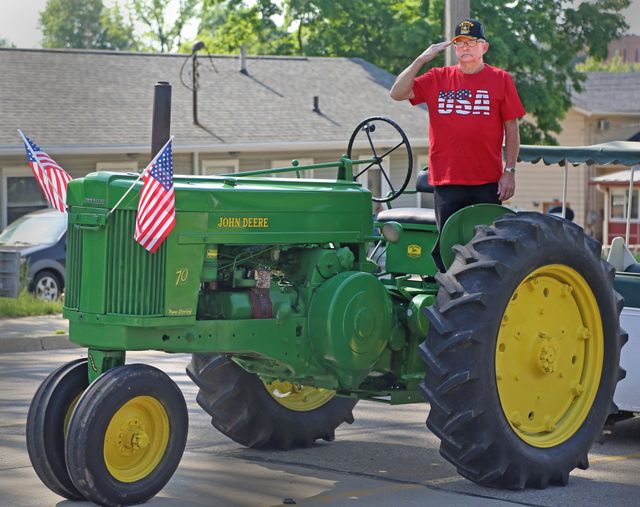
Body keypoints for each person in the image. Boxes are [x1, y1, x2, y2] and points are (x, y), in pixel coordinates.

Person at [390, 18, 525, 271]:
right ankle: (447, 299)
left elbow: (511, 128)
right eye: (460, 42)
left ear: (484, 47)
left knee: (487, 249)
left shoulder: (500, 79)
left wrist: (510, 171)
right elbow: (397, 93)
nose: (466, 47)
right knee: (448, 248)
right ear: (454, 47)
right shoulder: (437, 78)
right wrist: (420, 60)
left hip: (487, 182)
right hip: (447, 180)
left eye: (472, 42)